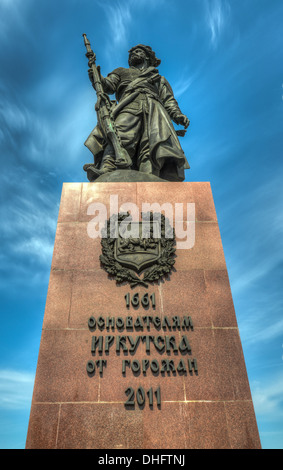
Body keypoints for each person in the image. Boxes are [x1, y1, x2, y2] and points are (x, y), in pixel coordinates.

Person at [84, 44, 190, 181]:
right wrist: (96, 75)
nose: (133, 54)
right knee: (120, 135)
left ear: (147, 56)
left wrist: (177, 115)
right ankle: (107, 168)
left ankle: (150, 176)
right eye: (131, 53)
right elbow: (107, 86)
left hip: (155, 110)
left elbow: (168, 100)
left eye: (138, 51)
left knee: (151, 144)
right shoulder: (121, 71)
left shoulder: (159, 79)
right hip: (129, 105)